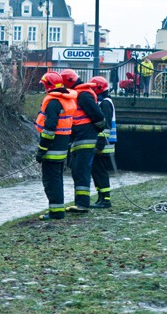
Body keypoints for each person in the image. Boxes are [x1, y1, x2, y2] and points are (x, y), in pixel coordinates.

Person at [60, 68, 107, 213]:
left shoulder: (83, 95)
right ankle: (80, 203)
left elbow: (99, 117)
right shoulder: (77, 94)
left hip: (85, 137)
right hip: (79, 137)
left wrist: (96, 131)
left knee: (81, 170)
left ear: (68, 82)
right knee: (77, 170)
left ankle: (82, 205)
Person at [34, 71, 77, 220]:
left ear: (48, 86)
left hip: (52, 149)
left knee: (50, 182)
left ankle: (56, 212)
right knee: (57, 179)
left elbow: (49, 129)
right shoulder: (65, 100)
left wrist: (41, 150)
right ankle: (58, 210)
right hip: (62, 147)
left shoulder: (52, 102)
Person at [89, 76, 116, 209]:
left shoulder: (105, 103)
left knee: (100, 171)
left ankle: (105, 200)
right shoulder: (102, 102)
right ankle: (101, 197)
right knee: (96, 171)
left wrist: (99, 145)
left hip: (104, 145)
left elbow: (106, 126)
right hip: (101, 144)